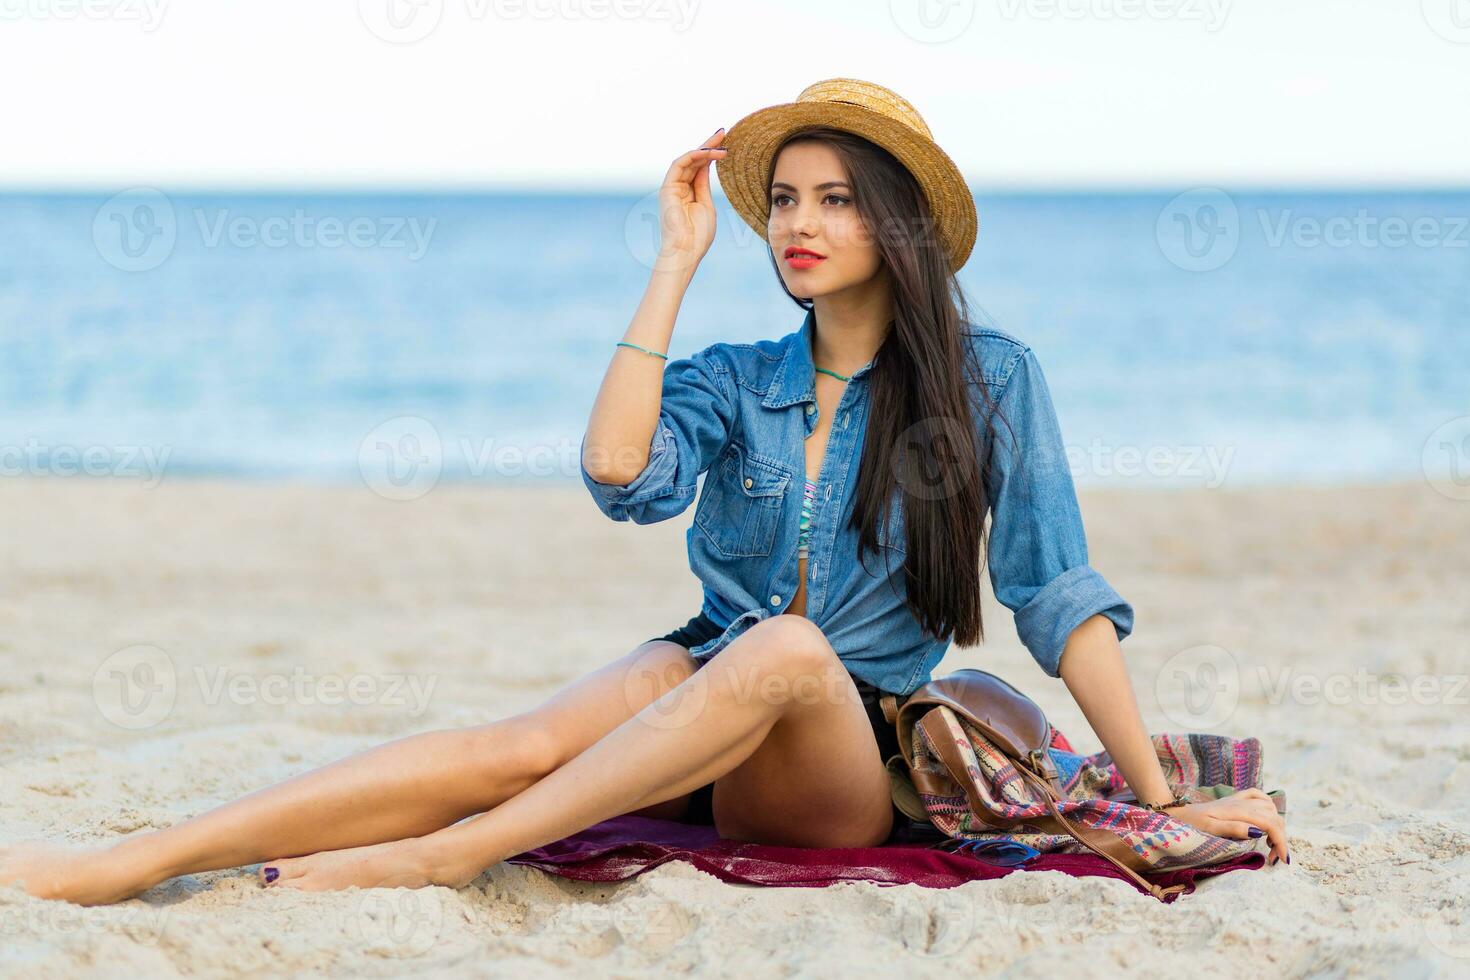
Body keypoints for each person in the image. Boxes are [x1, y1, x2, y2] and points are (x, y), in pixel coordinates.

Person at [0, 79, 1286, 906]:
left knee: (786, 647)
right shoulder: (736, 376)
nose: (798, 222)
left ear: (894, 221)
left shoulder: (994, 380)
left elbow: (1058, 596)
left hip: (845, 758)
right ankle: (134, 860)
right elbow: (621, 474)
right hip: (706, 676)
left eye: (836, 199)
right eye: (784, 198)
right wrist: (674, 262)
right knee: (515, 740)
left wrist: (1159, 802)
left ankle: (451, 852)